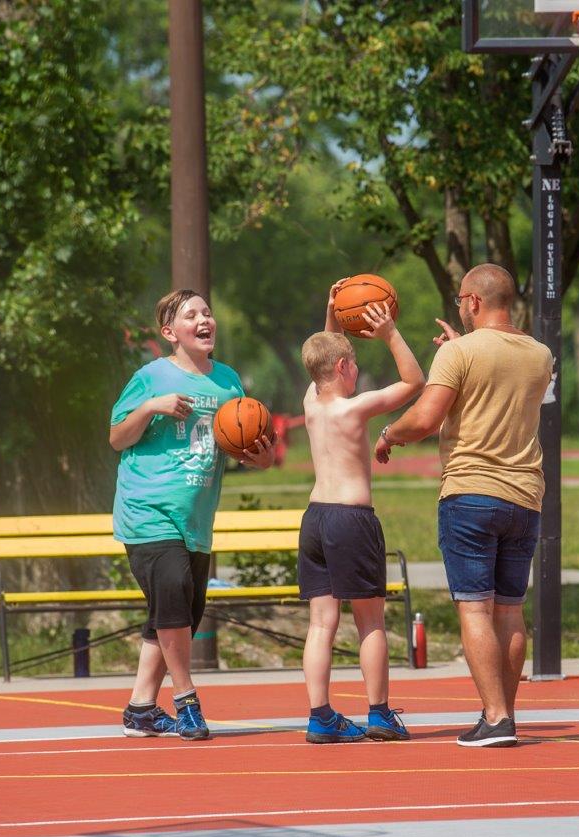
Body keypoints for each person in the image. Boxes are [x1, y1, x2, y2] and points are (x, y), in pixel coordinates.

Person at [375, 263, 552, 748]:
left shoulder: (460, 353)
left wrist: (390, 434)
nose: (458, 305)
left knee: (475, 607)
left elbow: (427, 418)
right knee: (511, 609)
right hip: (525, 496)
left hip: (471, 491)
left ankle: (495, 717)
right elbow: (496, 380)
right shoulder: (540, 354)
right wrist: (460, 351)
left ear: (473, 301)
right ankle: (503, 713)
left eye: (459, 299)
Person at [110, 289, 274, 741]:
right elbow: (118, 438)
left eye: (207, 312)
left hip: (196, 520)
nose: (204, 320)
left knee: (179, 611)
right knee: (175, 604)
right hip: (148, 510)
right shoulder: (151, 377)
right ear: (170, 333)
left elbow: (246, 446)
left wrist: (259, 456)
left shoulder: (228, 383)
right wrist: (149, 407)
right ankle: (186, 701)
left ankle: (141, 708)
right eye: (191, 315)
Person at [298, 286, 424, 743]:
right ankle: (379, 713)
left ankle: (319, 716)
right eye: (351, 363)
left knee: (320, 623)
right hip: (352, 520)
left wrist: (331, 314)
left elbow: (324, 355)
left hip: (314, 519)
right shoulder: (355, 409)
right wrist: (389, 334)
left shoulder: (312, 404)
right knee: (370, 620)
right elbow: (414, 383)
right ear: (343, 368)